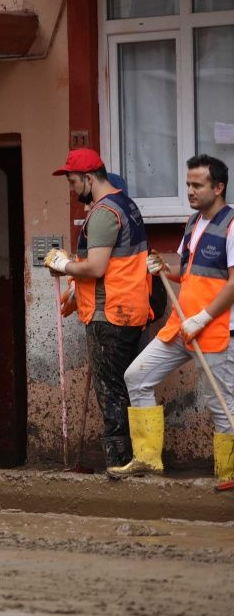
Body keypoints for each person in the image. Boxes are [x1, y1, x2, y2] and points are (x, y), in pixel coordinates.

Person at [116, 155, 234, 484]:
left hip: (216, 329)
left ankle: (228, 475)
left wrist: (204, 317)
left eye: (197, 185)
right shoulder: (193, 223)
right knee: (136, 376)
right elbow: (188, 273)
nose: (190, 191)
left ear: (219, 187)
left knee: (221, 404)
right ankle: (148, 459)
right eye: (188, 185)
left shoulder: (233, 225)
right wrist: (164, 269)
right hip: (182, 326)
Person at [44, 148, 149, 468]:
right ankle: (139, 459)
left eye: (74, 181)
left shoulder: (104, 212)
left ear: (89, 178)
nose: (73, 188)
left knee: (111, 391)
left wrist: (63, 265)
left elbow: (96, 267)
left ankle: (119, 463)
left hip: (110, 312)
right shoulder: (126, 204)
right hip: (129, 308)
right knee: (125, 385)